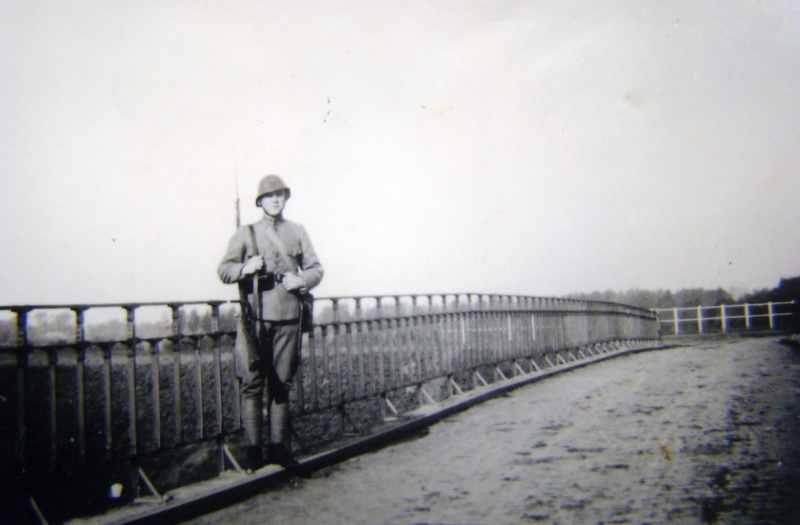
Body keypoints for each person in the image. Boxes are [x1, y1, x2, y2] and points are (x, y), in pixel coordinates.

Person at [218, 174, 323, 470]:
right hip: (254, 320)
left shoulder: (297, 231)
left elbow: (316, 269)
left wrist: (301, 280)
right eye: (269, 196)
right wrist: (244, 268)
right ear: (260, 201)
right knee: (252, 384)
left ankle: (279, 449)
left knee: (281, 384)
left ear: (285, 198)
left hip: (289, 318)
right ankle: (253, 452)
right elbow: (224, 269)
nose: (275, 200)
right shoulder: (246, 233)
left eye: (280, 195)